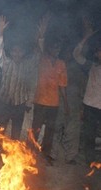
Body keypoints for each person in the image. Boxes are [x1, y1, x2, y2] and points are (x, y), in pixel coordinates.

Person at [31, 16, 68, 165]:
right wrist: (42, 33)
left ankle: (45, 155)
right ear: (49, 48)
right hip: (40, 101)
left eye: (58, 48)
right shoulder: (42, 59)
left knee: (50, 130)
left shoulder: (61, 63)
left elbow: (63, 86)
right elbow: (38, 46)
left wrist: (66, 105)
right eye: (54, 47)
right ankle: (31, 153)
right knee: (36, 129)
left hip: (54, 103)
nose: (56, 50)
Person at [0, 15, 39, 140]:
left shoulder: (27, 65)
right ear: (11, 52)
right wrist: (0, 31)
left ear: (24, 53)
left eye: (20, 51)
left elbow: (37, 56)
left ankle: (13, 156)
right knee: (0, 130)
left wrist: (39, 38)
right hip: (4, 102)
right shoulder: (6, 62)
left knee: (16, 132)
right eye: (14, 51)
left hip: (20, 104)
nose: (17, 54)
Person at [50, 43, 87, 164]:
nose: (67, 54)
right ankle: (52, 154)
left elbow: (83, 86)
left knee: (72, 130)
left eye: (69, 52)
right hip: (58, 102)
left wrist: (81, 104)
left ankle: (70, 156)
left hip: (74, 102)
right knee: (56, 128)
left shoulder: (77, 68)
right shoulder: (57, 65)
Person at [73, 23, 101, 164]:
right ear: (96, 54)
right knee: (89, 135)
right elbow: (76, 54)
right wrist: (86, 37)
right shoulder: (91, 66)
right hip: (90, 106)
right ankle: (90, 161)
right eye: (99, 51)